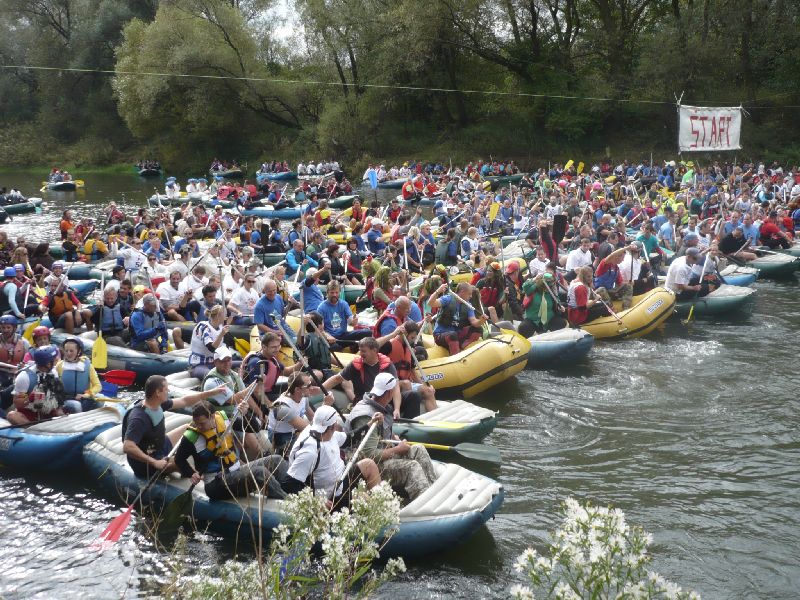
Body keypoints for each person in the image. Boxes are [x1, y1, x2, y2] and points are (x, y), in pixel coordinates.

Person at [344, 373, 437, 500]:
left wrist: (395, 439)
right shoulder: (365, 416)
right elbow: (370, 455)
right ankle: (424, 503)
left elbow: (381, 433)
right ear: (389, 392)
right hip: (371, 466)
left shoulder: (381, 405)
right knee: (412, 467)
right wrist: (397, 450)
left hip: (382, 455)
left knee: (418, 449)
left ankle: (434, 489)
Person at [174, 400, 288, 501]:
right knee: (259, 473)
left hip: (236, 470)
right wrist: (191, 473)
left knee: (277, 460)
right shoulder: (191, 438)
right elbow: (179, 459)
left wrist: (245, 414)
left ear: (213, 416)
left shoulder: (225, 421)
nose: (199, 426)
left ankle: (293, 494)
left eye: (202, 423)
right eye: (196, 422)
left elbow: (255, 427)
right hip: (215, 483)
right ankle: (287, 502)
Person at [122, 374, 227, 478]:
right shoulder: (139, 418)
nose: (168, 391)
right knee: (179, 462)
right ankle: (200, 477)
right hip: (146, 463)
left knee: (188, 428)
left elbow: (184, 401)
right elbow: (128, 447)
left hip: (159, 446)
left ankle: (210, 454)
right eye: (166, 389)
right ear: (158, 392)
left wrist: (210, 393)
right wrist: (154, 462)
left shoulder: (157, 403)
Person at [282, 405, 382, 510]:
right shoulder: (310, 452)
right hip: (332, 497)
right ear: (333, 426)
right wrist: (316, 500)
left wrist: (370, 423)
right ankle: (376, 512)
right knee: (363, 499)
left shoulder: (329, 433)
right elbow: (288, 484)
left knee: (369, 465)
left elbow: (349, 438)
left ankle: (380, 507)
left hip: (342, 478)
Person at [323, 336, 422, 419]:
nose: (361, 354)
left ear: (374, 350)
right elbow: (337, 379)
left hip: (385, 399)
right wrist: (320, 389)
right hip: (367, 401)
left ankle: (408, 426)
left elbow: (395, 387)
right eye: (360, 351)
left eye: (364, 351)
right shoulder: (355, 365)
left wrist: (397, 409)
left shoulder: (387, 364)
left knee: (413, 395)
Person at [268, 371, 331, 456]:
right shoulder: (282, 408)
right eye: (308, 386)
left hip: (295, 431)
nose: (312, 388)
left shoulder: (303, 398)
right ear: (297, 389)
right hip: (282, 437)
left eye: (311, 384)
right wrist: (325, 406)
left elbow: (313, 417)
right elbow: (308, 429)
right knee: (313, 450)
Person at [5, 346, 65, 425]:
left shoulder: (53, 372)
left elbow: (57, 398)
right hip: (29, 413)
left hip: (48, 411)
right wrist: (29, 398)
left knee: (60, 412)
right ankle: (33, 427)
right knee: (11, 415)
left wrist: (59, 410)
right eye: (54, 360)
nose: (56, 361)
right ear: (47, 363)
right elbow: (17, 402)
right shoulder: (24, 377)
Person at [428, 282, 486, 355]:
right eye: (469, 294)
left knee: (478, 329)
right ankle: (456, 356)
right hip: (440, 334)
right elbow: (431, 303)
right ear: (462, 292)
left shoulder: (468, 305)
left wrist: (481, 321)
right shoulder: (448, 299)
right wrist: (438, 291)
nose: (471, 296)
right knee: (452, 335)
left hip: (456, 334)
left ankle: (461, 346)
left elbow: (474, 322)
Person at [316, 280, 370, 350]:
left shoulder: (344, 304)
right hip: (330, 338)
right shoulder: (321, 307)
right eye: (332, 293)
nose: (334, 295)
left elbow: (351, 322)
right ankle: (351, 346)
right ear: (327, 293)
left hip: (343, 335)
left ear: (339, 293)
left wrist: (353, 321)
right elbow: (319, 329)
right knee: (336, 347)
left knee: (367, 332)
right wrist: (327, 336)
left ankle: (354, 347)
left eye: (336, 292)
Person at [55, 337, 101, 413]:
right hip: (67, 399)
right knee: (76, 406)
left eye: (71, 351)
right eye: (66, 351)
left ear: (79, 351)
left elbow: (98, 386)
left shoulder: (87, 365)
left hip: (84, 397)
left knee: (100, 399)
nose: (68, 353)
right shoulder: (59, 366)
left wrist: (86, 394)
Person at [518, 273, 568, 337]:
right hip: (533, 320)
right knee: (523, 327)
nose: (549, 288)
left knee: (562, 322)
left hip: (549, 320)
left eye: (551, 286)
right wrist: (535, 279)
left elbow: (557, 301)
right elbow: (525, 286)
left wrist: (560, 307)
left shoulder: (552, 291)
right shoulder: (532, 290)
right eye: (548, 286)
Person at [188, 305, 230, 379]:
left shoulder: (220, 328)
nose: (226, 316)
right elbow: (211, 348)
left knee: (241, 363)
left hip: (214, 363)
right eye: (224, 314)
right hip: (199, 365)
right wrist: (221, 335)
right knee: (213, 376)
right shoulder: (203, 327)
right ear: (218, 316)